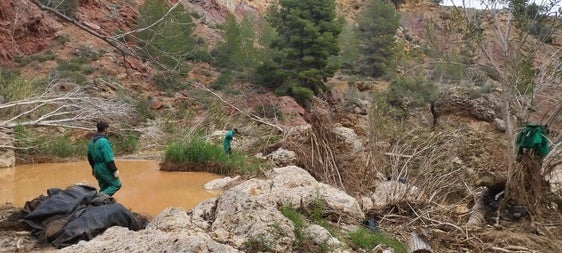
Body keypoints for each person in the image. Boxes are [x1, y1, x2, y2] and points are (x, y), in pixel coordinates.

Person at [87, 121, 121, 196]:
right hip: (104, 167)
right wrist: (114, 170)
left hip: (96, 167)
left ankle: (99, 204)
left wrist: (93, 168)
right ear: (105, 129)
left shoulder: (91, 142)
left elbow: (89, 157)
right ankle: (96, 199)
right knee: (116, 185)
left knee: (104, 187)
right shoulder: (104, 141)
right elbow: (108, 158)